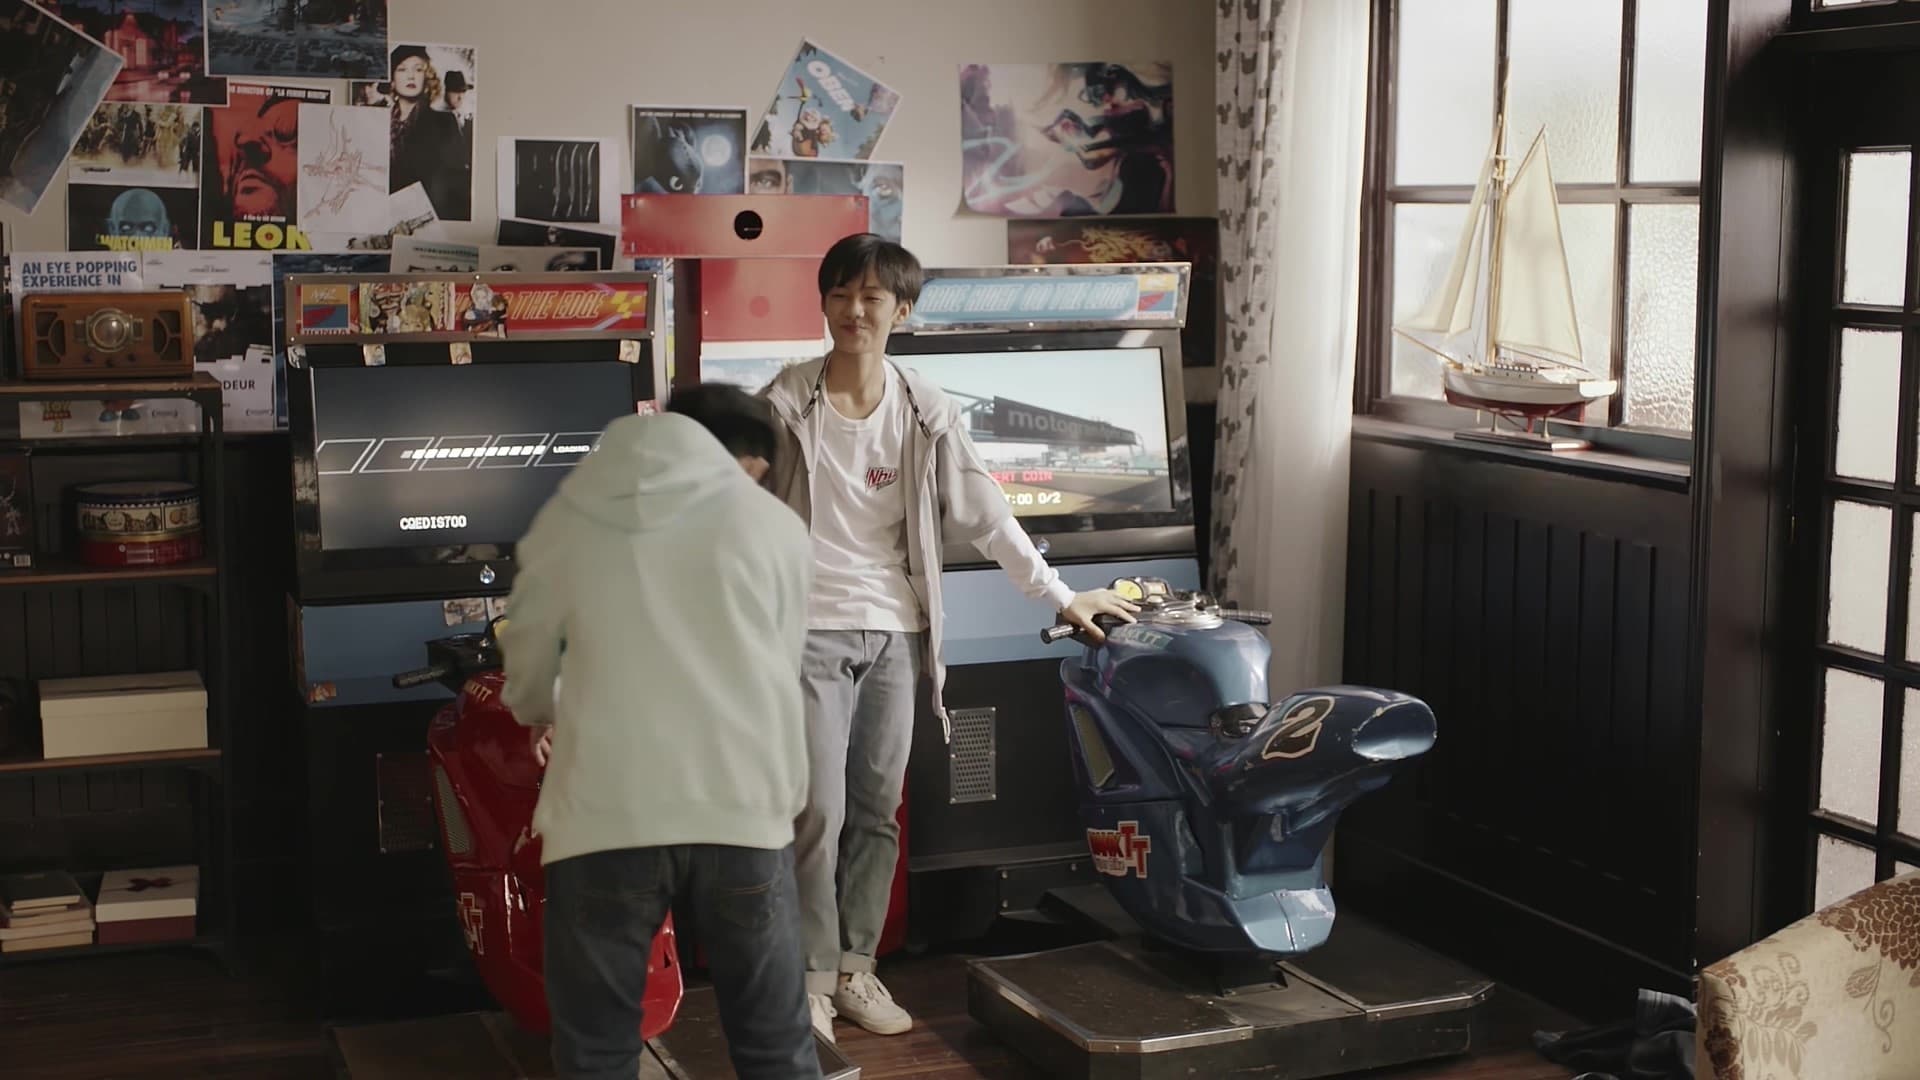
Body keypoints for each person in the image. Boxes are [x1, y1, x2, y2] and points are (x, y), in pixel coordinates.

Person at [759, 233, 1139, 1041]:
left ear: (901, 311)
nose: (854, 311)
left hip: (897, 633)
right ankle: (809, 979)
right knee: (816, 809)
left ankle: (856, 969)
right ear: (823, 302)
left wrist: (1060, 595)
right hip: (807, 629)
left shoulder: (926, 410)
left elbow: (988, 515)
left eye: (872, 297)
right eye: (840, 294)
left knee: (877, 810)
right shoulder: (786, 402)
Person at [499, 385, 820, 1080]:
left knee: (596, 1052)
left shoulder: (573, 514)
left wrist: (539, 712)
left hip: (605, 813)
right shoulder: (774, 526)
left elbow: (527, 651)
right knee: (774, 1045)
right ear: (744, 458)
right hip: (742, 809)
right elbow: (783, 659)